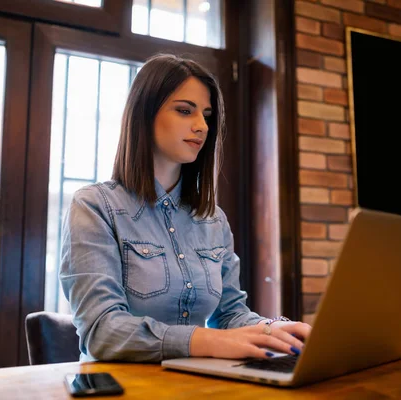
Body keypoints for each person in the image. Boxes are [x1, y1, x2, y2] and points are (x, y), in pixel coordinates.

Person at [60, 53, 311, 363]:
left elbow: (230, 315)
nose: (202, 126)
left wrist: (277, 332)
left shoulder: (213, 220)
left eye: (206, 115)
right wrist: (206, 340)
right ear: (144, 114)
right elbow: (102, 330)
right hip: (120, 388)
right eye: (184, 111)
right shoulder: (94, 206)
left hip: (194, 384)